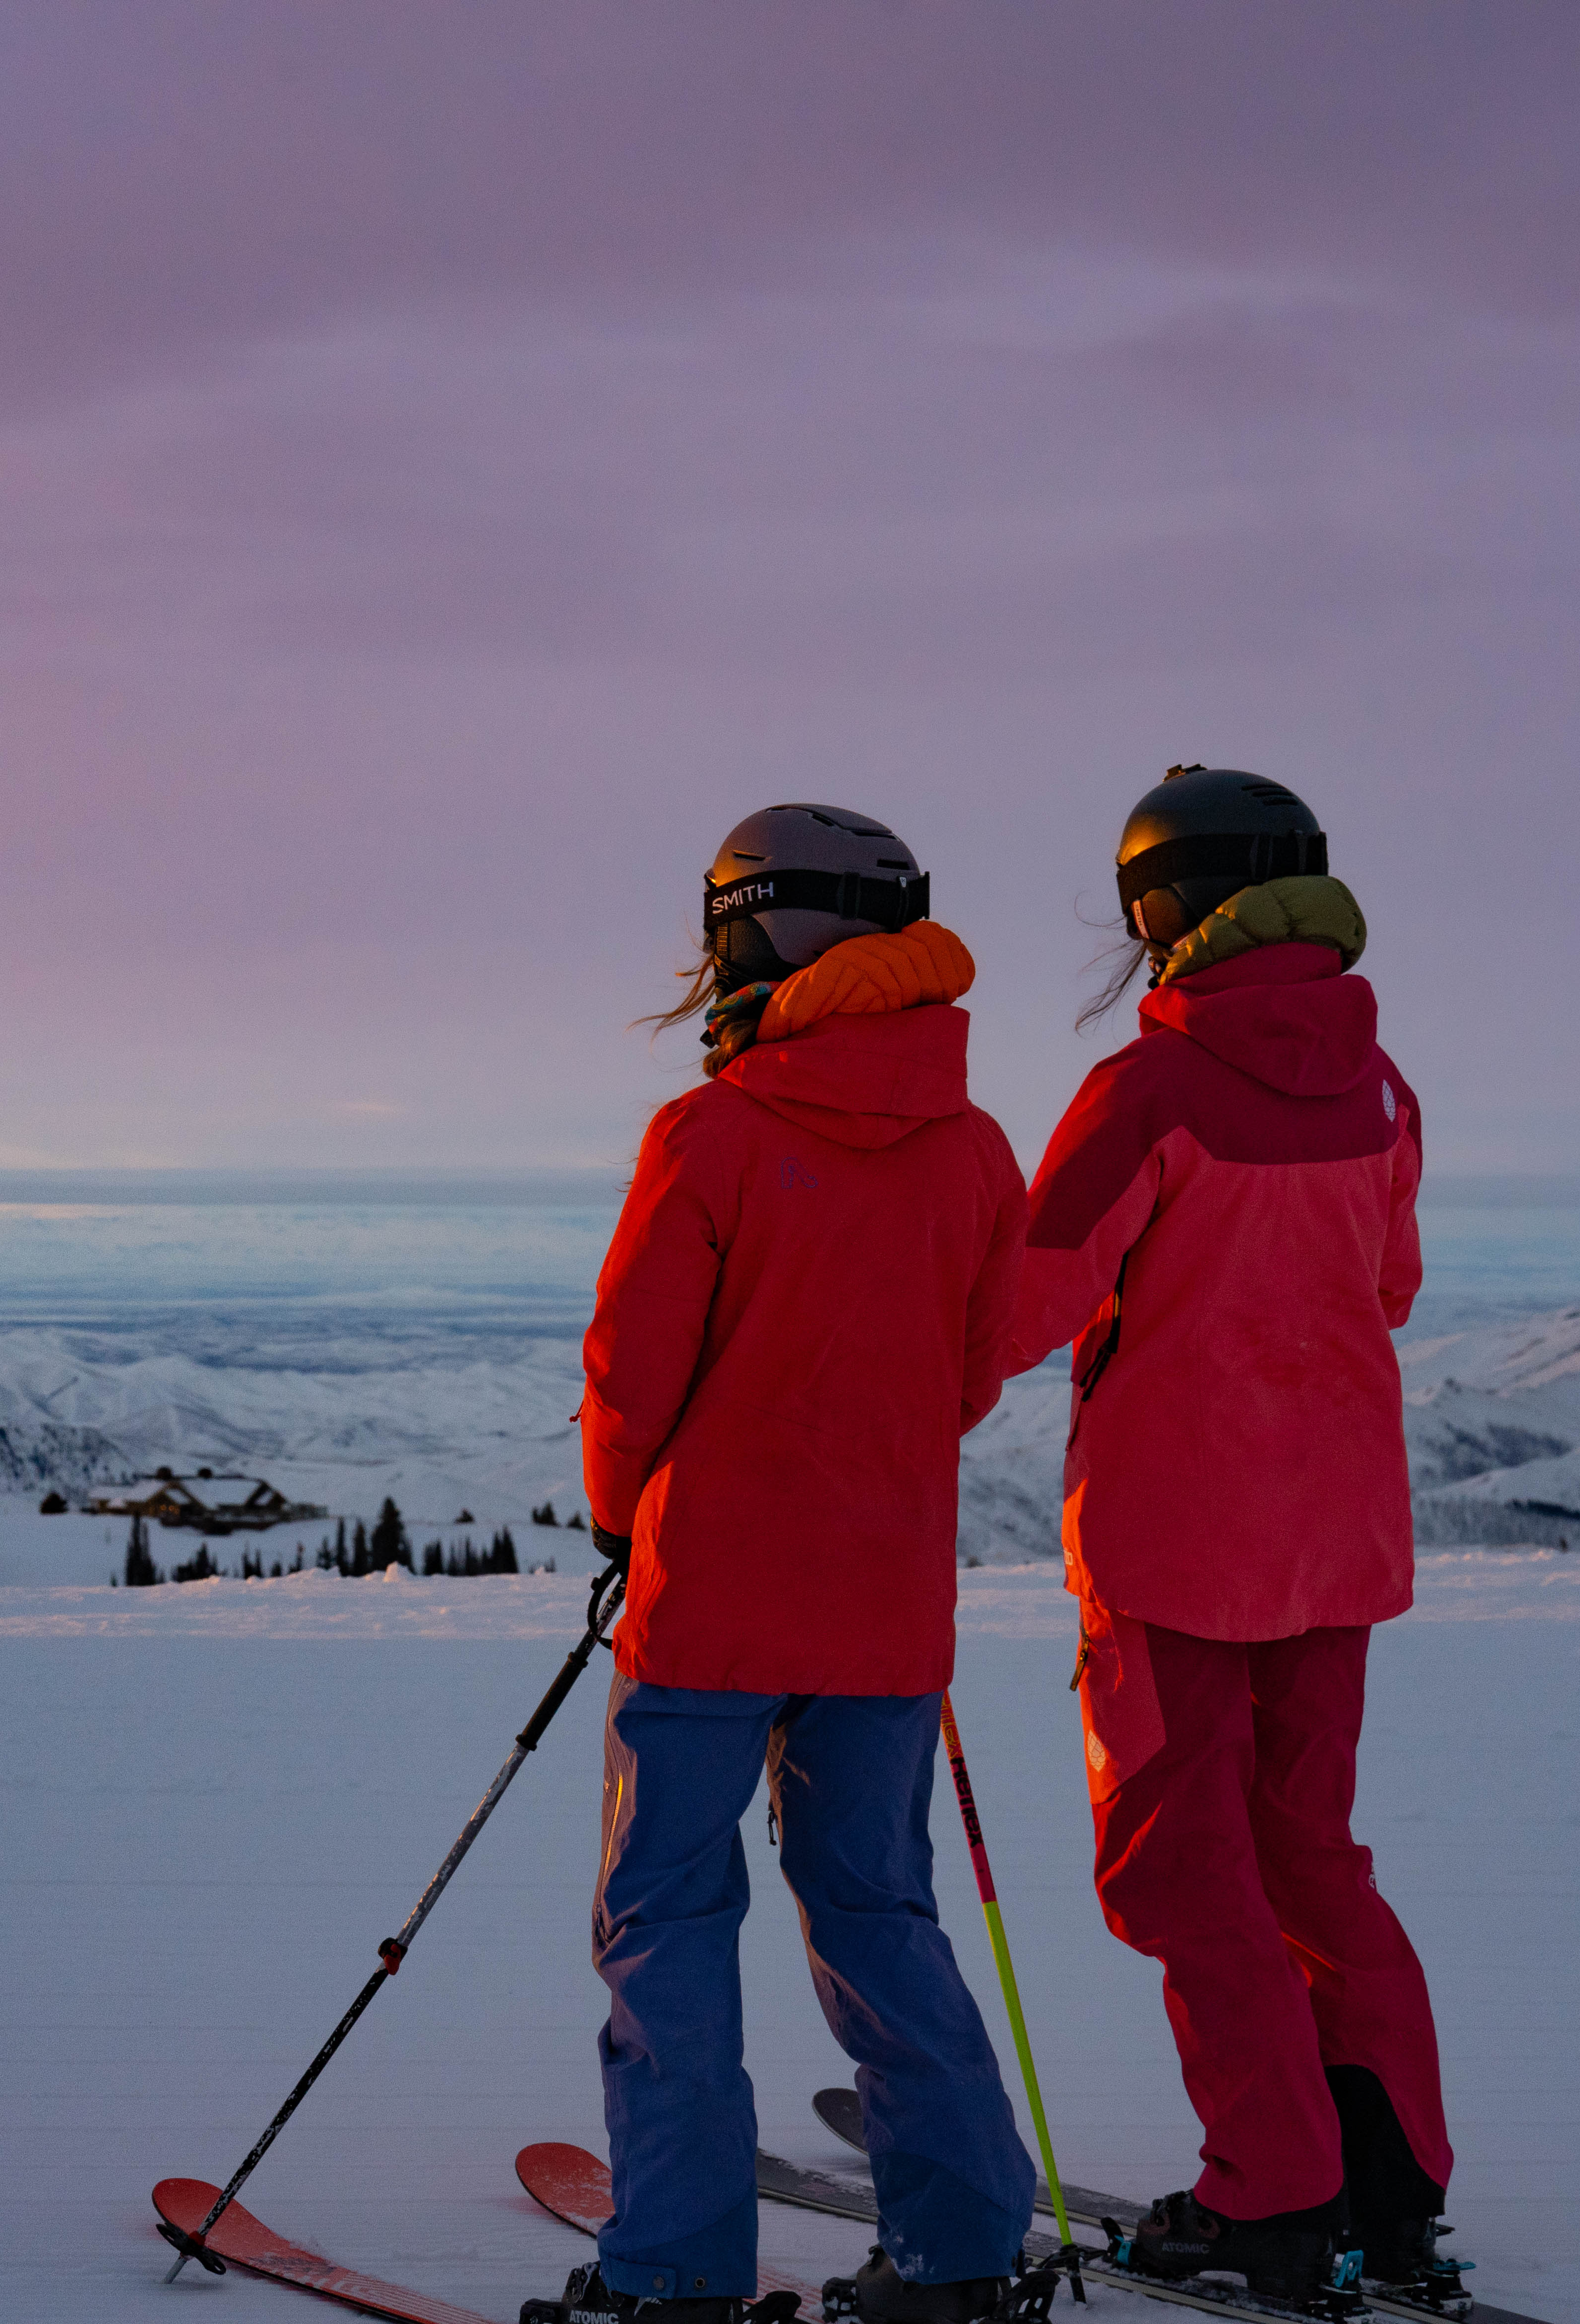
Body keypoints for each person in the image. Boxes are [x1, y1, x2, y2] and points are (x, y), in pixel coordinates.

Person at [529, 805, 1039, 2324]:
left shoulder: (716, 1133)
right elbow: (972, 1368)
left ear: (749, 934)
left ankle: (678, 2268)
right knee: (880, 1911)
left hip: (711, 1613)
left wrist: (626, 1520)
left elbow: (632, 1372)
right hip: (885, 1613)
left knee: (669, 1921)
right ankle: (956, 2255)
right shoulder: (973, 1143)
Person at [1008, 766, 1459, 2309]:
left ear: (1163, 910)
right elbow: (1387, 1288)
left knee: (1178, 1870)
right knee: (1307, 1859)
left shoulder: (1152, 1089)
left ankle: (1271, 2197)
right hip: (1332, 1543)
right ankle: (1385, 2187)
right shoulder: (1379, 1083)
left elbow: (1027, 1296)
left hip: (1169, 1551)